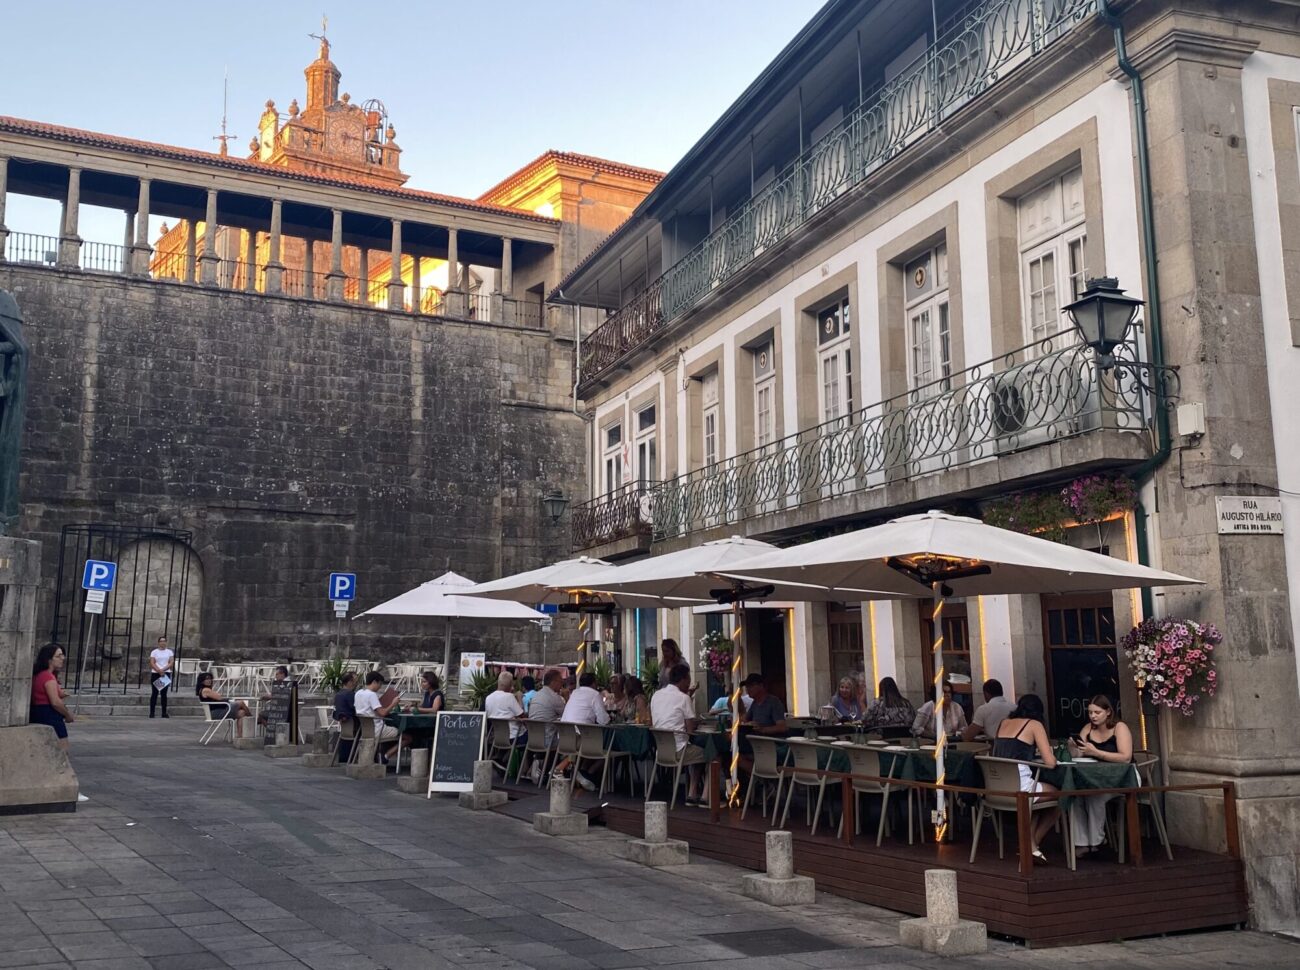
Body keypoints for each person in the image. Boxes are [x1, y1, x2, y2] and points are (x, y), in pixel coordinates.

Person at [992, 693, 1060, 863]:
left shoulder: (1003, 723)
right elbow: (1050, 762)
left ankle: (1029, 846)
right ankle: (1031, 845)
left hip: (995, 787)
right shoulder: (1034, 725)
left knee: (1038, 801)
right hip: (1020, 785)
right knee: (1060, 796)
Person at [1070, 694, 1135, 856]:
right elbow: (1079, 755)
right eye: (1090, 712)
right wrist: (1074, 748)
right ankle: (1082, 842)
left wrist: (1096, 752)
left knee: (1094, 796)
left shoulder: (1120, 728)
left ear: (1108, 712)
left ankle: (1096, 841)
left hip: (1120, 779)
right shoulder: (1088, 729)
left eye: (1097, 712)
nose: (1093, 716)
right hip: (1094, 777)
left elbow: (1125, 758)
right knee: (1075, 795)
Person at [650, 663, 708, 806]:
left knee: (697, 751)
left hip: (661, 752)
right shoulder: (683, 698)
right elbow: (689, 730)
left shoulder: (656, 695)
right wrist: (696, 722)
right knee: (712, 754)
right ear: (682, 680)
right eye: (688, 680)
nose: (689, 683)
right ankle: (706, 797)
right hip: (679, 751)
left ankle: (692, 793)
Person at [557, 671, 610, 790]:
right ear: (594, 683)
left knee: (585, 744)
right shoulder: (595, 695)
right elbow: (603, 720)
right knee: (599, 745)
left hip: (563, 736)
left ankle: (579, 772)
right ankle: (560, 769)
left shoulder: (574, 693)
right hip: (578, 739)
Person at [30, 643, 75, 751]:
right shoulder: (48, 677)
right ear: (49, 659)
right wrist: (67, 715)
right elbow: (55, 702)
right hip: (49, 714)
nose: (62, 658)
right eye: (58, 656)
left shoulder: (38, 675)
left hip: (37, 711)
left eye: (62, 655)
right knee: (63, 748)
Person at [354, 671, 405, 762]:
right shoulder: (372, 695)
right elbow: (383, 713)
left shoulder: (358, 693)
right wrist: (393, 704)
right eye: (380, 684)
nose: (380, 687)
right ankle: (386, 756)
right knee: (406, 735)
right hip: (377, 729)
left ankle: (381, 756)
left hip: (365, 730)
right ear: (374, 682)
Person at [196, 672, 251, 739]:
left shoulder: (205, 690)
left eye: (210, 678)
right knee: (241, 703)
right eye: (207, 679)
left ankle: (240, 736)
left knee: (242, 713)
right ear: (202, 681)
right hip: (215, 713)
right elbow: (219, 697)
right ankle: (252, 719)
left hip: (219, 710)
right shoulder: (206, 690)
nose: (209, 680)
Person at [148, 635, 174, 719]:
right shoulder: (154, 652)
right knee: (154, 693)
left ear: (166, 642)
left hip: (165, 673)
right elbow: (152, 662)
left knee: (164, 694)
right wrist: (159, 670)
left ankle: (164, 713)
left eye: (164, 641)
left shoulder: (169, 652)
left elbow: (171, 662)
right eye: (161, 641)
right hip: (156, 673)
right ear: (158, 642)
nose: (163, 642)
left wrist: (163, 670)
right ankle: (152, 712)